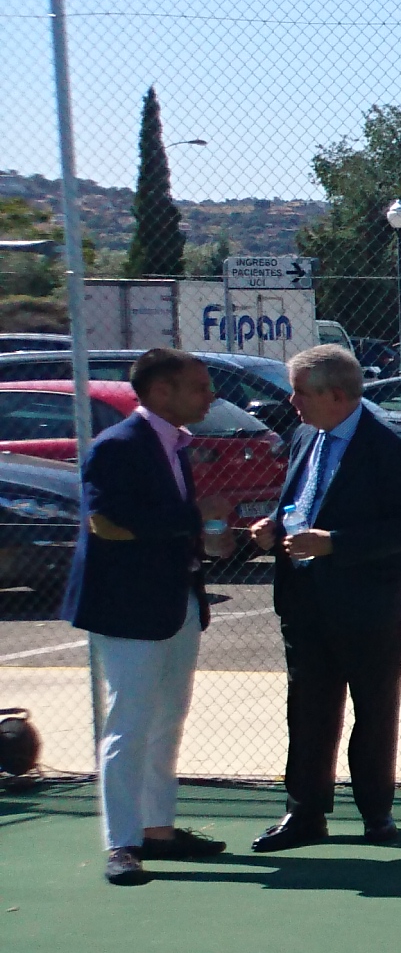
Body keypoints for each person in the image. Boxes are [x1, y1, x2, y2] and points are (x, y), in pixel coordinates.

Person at [249, 343, 401, 851]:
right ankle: (305, 812)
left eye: (300, 392)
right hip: (303, 596)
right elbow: (300, 502)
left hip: (366, 600)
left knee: (373, 709)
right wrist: (274, 526)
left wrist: (335, 543)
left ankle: (376, 812)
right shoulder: (308, 434)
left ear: (335, 394)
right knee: (307, 707)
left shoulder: (390, 446)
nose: (292, 402)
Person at [67, 348, 231, 885]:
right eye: (199, 387)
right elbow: (107, 525)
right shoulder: (118, 446)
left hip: (175, 600)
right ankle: (122, 843)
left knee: (168, 717)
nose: (210, 396)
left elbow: (164, 526)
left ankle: (158, 829)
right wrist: (192, 517)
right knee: (130, 723)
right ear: (162, 393)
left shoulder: (175, 445)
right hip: (128, 608)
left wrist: (213, 538)